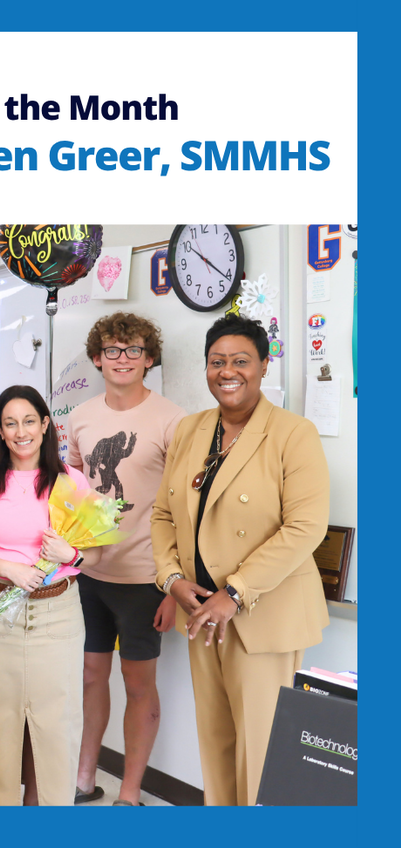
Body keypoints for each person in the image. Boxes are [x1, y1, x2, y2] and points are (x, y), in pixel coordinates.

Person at [151, 315, 330, 806]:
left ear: (263, 365)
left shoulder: (293, 433)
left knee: (261, 750)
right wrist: (170, 578)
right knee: (216, 745)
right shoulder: (190, 430)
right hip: (200, 613)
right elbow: (164, 512)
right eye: (217, 362)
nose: (227, 371)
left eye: (240, 361)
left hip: (261, 616)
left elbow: (305, 527)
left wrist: (235, 592)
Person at [65, 313, 186, 807]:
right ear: (97, 358)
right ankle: (84, 778)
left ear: (149, 359)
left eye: (133, 350)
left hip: (146, 579)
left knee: (140, 685)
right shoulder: (82, 416)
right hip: (89, 575)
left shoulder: (172, 420)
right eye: (112, 350)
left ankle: (130, 793)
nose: (122, 359)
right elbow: (69, 492)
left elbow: (186, 507)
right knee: (92, 676)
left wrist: (177, 589)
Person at [0, 385, 92, 805]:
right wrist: (9, 568)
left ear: (46, 425)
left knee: (55, 730)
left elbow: (97, 552)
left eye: (29, 421)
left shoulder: (71, 481)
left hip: (58, 614)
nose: (21, 432)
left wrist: (72, 554)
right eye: (10, 423)